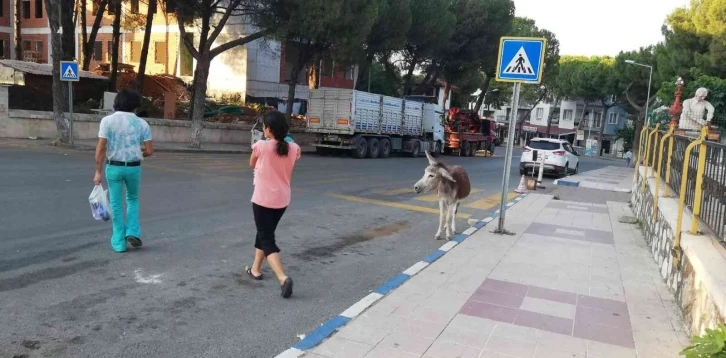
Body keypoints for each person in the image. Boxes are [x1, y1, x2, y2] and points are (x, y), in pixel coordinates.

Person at [246, 110, 301, 298]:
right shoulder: (294, 148)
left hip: (263, 200)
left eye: (264, 126)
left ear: (268, 129)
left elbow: (251, 164)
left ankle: (283, 278)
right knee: (265, 232)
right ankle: (255, 269)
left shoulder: (260, 146)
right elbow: (289, 151)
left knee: (267, 237)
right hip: (282, 200)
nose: (263, 129)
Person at [93, 89, 153, 253]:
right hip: (133, 168)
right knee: (132, 199)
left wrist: (98, 171)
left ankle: (119, 242)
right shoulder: (142, 124)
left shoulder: (107, 121)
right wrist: (135, 154)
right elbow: (149, 151)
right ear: (135, 105)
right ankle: (132, 231)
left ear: (117, 103)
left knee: (116, 203)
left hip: (114, 167)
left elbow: (101, 148)